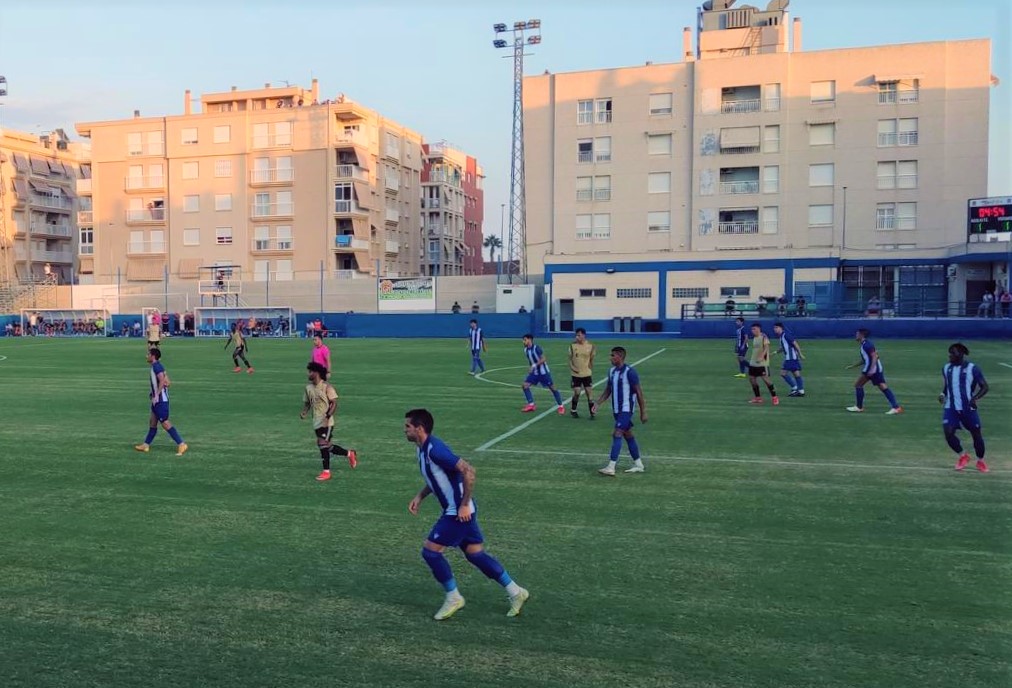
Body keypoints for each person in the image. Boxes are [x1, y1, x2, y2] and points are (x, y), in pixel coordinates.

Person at [404, 408, 529, 620]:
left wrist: (464, 504)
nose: (404, 430)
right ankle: (516, 592)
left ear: (420, 428)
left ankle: (454, 597)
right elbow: (435, 478)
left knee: (431, 552)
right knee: (475, 554)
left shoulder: (435, 449)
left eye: (407, 426)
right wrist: (420, 496)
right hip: (460, 510)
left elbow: (469, 471)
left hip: (458, 512)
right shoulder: (421, 449)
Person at [592, 347, 648, 476]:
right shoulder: (611, 372)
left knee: (617, 433)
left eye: (613, 355)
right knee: (628, 435)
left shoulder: (630, 372)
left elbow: (639, 393)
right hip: (617, 411)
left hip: (626, 410)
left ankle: (611, 466)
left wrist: (643, 411)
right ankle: (638, 464)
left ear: (620, 356)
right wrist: (598, 403)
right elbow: (608, 390)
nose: (610, 358)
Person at [300, 362, 357, 481]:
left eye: (310, 371)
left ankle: (326, 472)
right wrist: (304, 411)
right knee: (328, 446)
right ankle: (349, 454)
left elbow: (334, 403)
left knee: (322, 444)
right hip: (316, 422)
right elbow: (307, 402)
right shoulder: (308, 388)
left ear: (316, 373)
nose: (308, 374)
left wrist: (327, 416)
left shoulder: (327, 387)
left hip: (327, 422)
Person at [938, 343, 989, 473]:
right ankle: (963, 456)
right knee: (948, 432)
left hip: (968, 408)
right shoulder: (946, 368)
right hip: (951, 408)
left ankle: (980, 461)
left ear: (961, 354)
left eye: (953, 353)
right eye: (949, 353)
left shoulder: (973, 369)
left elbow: (985, 387)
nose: (950, 355)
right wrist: (943, 394)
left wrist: (975, 398)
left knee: (976, 435)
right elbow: (947, 386)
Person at [134, 348, 188, 456]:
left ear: (153, 356)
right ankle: (146, 445)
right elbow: (167, 382)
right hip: (157, 400)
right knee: (152, 423)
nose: (146, 356)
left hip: (160, 401)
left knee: (165, 423)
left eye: (148, 354)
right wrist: (153, 393)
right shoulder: (158, 366)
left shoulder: (157, 367)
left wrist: (157, 395)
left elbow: (163, 381)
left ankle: (181, 444)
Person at [845, 328, 902, 414]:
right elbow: (865, 359)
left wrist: (871, 369)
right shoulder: (865, 345)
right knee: (882, 386)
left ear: (861, 335)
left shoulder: (867, 345)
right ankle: (896, 407)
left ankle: (859, 407)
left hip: (872, 369)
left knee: (858, 385)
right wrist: (853, 366)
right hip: (874, 369)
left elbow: (874, 357)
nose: (856, 336)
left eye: (857, 334)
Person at [520, 334, 565, 414]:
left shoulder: (536, 348)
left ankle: (561, 406)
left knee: (553, 388)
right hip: (535, 373)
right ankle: (531, 405)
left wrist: (533, 366)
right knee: (525, 385)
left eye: (525, 340)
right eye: (523, 340)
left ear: (530, 340)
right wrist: (531, 368)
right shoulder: (525, 350)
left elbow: (543, 358)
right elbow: (532, 361)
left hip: (543, 372)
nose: (523, 341)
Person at [746, 322, 778, 405]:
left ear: (759, 329)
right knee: (752, 379)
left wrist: (761, 356)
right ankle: (758, 398)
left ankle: (774, 397)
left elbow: (767, 347)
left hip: (762, 363)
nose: (752, 331)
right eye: (752, 329)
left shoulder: (763, 336)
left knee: (766, 380)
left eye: (754, 329)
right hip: (753, 363)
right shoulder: (754, 338)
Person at [568, 327, 596, 419]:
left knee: (589, 393)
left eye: (579, 335)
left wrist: (590, 368)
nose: (577, 337)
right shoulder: (572, 346)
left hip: (587, 374)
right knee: (577, 392)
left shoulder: (591, 346)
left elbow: (591, 359)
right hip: (576, 374)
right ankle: (573, 410)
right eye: (576, 335)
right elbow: (570, 360)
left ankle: (592, 413)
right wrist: (573, 368)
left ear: (584, 335)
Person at [773, 322, 805, 397]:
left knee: (783, 373)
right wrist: (775, 352)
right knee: (796, 374)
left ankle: (795, 388)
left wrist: (800, 354)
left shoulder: (786, 335)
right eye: (774, 328)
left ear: (781, 328)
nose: (774, 329)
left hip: (790, 358)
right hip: (792, 358)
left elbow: (795, 343)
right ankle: (801, 391)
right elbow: (784, 347)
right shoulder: (781, 336)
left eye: (776, 327)